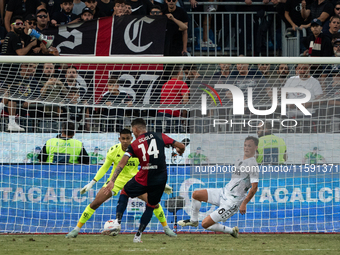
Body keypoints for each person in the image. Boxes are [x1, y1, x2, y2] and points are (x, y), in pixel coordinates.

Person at [65, 128, 177, 238]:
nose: (125, 141)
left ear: (131, 138)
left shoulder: (138, 148)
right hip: (115, 181)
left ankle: (166, 228)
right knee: (95, 203)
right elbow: (104, 167)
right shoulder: (113, 151)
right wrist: (92, 182)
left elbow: (149, 167)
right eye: (123, 138)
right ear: (119, 139)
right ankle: (76, 229)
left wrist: (162, 184)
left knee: (154, 203)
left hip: (135, 181)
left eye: (127, 138)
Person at [103, 118, 185, 243]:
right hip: (160, 179)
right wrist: (179, 151)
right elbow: (181, 146)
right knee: (151, 206)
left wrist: (112, 180)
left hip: (143, 178)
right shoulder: (160, 136)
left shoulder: (134, 144)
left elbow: (122, 162)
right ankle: (138, 236)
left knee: (124, 192)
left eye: (133, 131)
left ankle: (117, 222)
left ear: (135, 129)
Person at [178, 136, 259, 237]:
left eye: (249, 146)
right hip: (223, 192)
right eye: (245, 145)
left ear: (255, 147)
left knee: (205, 224)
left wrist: (244, 203)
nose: (246, 148)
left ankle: (232, 231)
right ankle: (193, 221)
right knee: (196, 194)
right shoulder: (239, 160)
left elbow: (254, 187)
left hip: (232, 202)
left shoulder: (253, 165)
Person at [156, 65, 189, 133]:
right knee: (173, 138)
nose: (183, 76)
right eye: (182, 73)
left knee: (160, 138)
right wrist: (184, 116)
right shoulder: (182, 84)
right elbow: (186, 101)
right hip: (172, 115)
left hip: (160, 114)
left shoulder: (165, 84)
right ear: (179, 73)